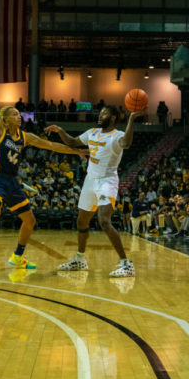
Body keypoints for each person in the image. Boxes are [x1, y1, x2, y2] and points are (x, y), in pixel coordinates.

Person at [0, 57, 87, 274]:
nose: (20, 117)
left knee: (29, 221)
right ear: (6, 119)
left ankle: (17, 257)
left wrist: (76, 151)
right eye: (16, 115)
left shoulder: (25, 136)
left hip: (13, 182)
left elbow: (51, 146)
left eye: (19, 115)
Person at [45, 104, 143, 277]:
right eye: (101, 112)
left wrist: (132, 119)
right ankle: (80, 259)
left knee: (104, 221)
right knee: (81, 222)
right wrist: (60, 130)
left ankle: (126, 264)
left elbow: (126, 143)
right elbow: (73, 142)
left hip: (107, 181)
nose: (100, 115)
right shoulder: (92, 132)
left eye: (105, 113)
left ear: (113, 117)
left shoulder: (118, 135)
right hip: (90, 181)